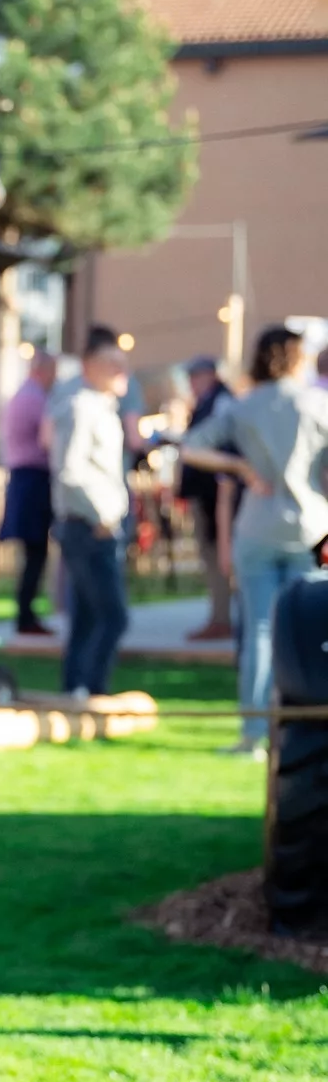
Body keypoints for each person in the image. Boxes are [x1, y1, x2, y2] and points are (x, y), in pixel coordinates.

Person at [181, 324, 328, 757]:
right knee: (312, 632)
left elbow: (191, 447)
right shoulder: (317, 403)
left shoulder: (245, 406)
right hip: (310, 527)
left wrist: (240, 467)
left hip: (257, 526)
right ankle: (306, 728)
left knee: (260, 633)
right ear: (296, 358)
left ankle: (253, 735)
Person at [47, 331, 131, 702]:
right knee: (113, 617)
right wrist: (101, 517)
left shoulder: (103, 407)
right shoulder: (81, 407)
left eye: (123, 363)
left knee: (86, 617)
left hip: (95, 524)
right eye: (112, 364)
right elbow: (69, 470)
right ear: (89, 366)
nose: (121, 371)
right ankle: (93, 693)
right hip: (88, 526)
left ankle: (75, 691)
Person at [0, 348, 58, 634]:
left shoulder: (22, 396)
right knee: (36, 553)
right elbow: (49, 440)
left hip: (24, 479)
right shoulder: (35, 399)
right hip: (33, 479)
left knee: (33, 553)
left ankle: (26, 614)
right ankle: (26, 616)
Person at [178, 355, 234, 640]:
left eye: (195, 377)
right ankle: (219, 615)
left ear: (209, 375)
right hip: (208, 493)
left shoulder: (222, 403)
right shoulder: (206, 403)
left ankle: (222, 618)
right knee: (212, 556)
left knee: (219, 555)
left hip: (217, 494)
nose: (191, 383)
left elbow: (223, 446)